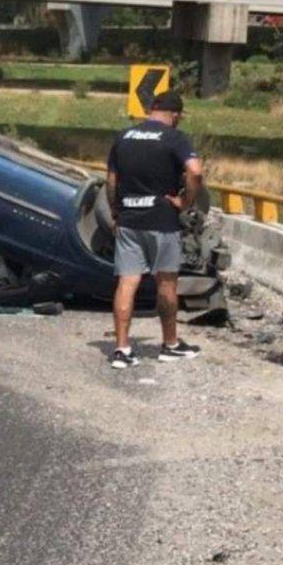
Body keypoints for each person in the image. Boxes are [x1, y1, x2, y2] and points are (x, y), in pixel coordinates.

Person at [105, 90, 204, 368]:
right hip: (162, 220)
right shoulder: (175, 138)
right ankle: (170, 344)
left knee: (127, 282)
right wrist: (185, 201)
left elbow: (111, 180)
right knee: (166, 282)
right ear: (175, 115)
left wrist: (116, 212)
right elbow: (195, 172)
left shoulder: (123, 137)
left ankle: (122, 349)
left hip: (128, 219)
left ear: (151, 110)